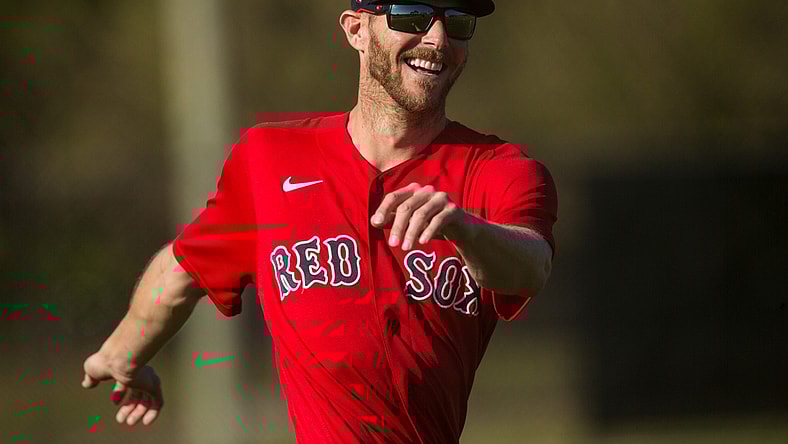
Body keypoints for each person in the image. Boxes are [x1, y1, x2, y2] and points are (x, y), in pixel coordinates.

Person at [81, 0, 558, 442]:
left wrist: (467, 230)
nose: (436, 38)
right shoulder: (268, 160)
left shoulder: (500, 169)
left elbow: (530, 264)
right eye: (411, 15)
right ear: (356, 30)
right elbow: (184, 268)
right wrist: (122, 354)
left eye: (456, 21)